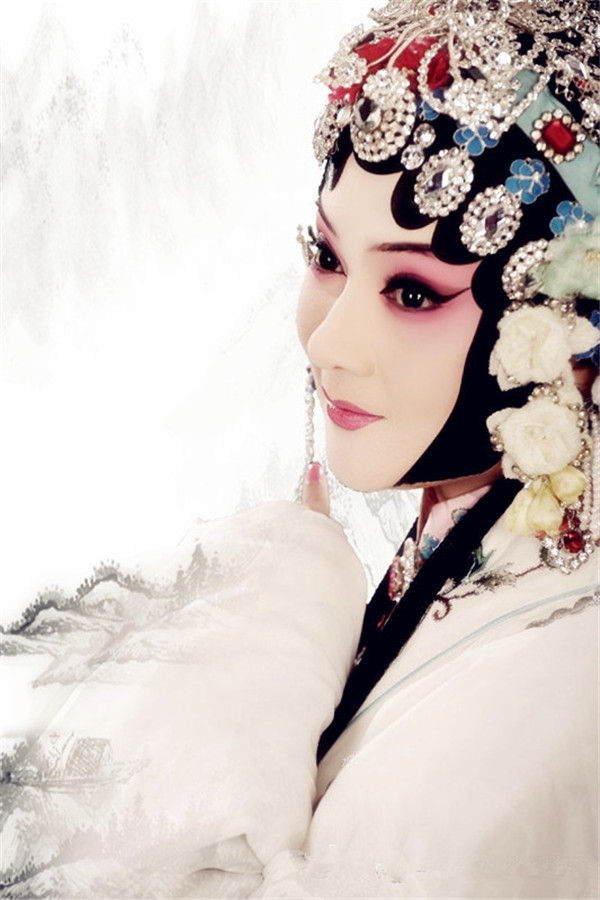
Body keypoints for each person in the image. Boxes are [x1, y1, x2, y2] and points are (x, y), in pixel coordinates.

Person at [1, 1, 598, 897]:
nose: (328, 342)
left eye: (412, 291)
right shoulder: (487, 533)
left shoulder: (544, 713)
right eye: (326, 256)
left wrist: (278, 603)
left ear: (572, 326)